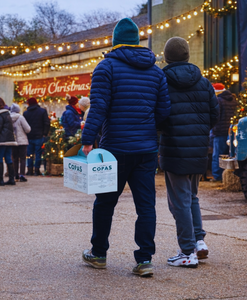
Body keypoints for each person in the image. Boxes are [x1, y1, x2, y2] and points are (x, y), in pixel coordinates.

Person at [81, 17, 170, 277]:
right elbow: (164, 112)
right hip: (145, 150)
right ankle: (144, 260)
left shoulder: (106, 67)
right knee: (146, 206)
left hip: (114, 149)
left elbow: (98, 107)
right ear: (137, 41)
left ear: (115, 42)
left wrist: (87, 139)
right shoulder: (156, 72)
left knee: (105, 203)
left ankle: (98, 254)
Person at [159, 37, 219, 268]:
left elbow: (159, 115)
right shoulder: (204, 82)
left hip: (174, 148)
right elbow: (215, 115)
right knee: (192, 197)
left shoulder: (162, 80)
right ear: (187, 56)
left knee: (179, 202)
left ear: (167, 57)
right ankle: (199, 241)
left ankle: (186, 251)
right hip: (197, 149)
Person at [210, 84, 238, 182]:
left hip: (220, 131)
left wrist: (213, 129)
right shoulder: (233, 100)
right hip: (231, 131)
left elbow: (215, 116)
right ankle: (227, 176)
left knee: (217, 155)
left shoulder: (218, 100)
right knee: (229, 154)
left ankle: (217, 176)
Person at [23, 97, 50, 176]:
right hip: (39, 135)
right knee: (38, 154)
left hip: (29, 136)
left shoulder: (26, 113)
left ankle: (30, 170)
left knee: (29, 154)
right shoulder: (42, 111)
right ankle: (36, 170)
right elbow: (46, 123)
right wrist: (45, 133)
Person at [10, 103, 31, 182]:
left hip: (13, 141)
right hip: (22, 141)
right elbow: (28, 129)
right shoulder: (21, 117)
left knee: (14, 158)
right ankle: (22, 175)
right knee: (22, 158)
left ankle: (15, 174)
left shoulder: (8, 117)